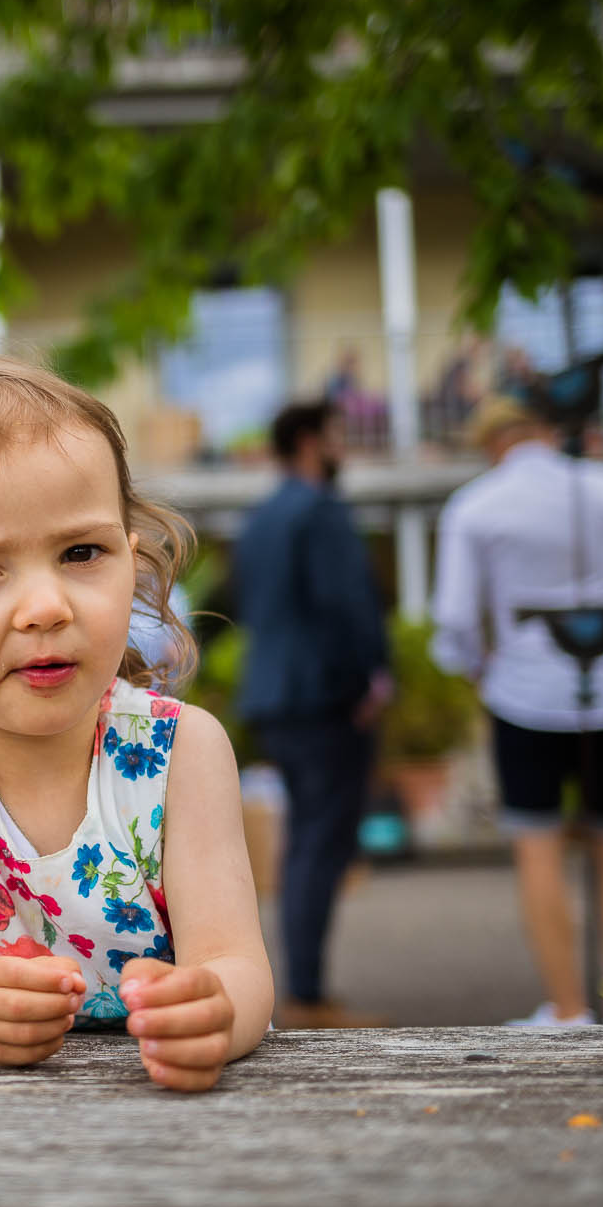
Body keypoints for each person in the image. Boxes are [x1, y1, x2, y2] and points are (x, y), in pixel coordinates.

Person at [0, 351, 273, 1093]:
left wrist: (214, 1013)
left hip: (146, 1119)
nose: (45, 605)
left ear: (133, 567)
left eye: (80, 552)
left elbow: (237, 962)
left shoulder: (180, 750)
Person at [430, 399, 603, 1027]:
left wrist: (477, 666)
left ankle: (567, 1008)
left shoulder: (477, 503)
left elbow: (453, 619)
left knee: (538, 846)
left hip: (526, 693)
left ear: (493, 442)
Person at [230, 401, 392, 1030]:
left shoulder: (261, 517)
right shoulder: (321, 510)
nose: (342, 447)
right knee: (322, 843)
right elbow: (348, 603)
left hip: (273, 694)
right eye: (335, 436)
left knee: (306, 843)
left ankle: (302, 988)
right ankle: (307, 994)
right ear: (307, 441)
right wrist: (369, 681)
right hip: (326, 696)